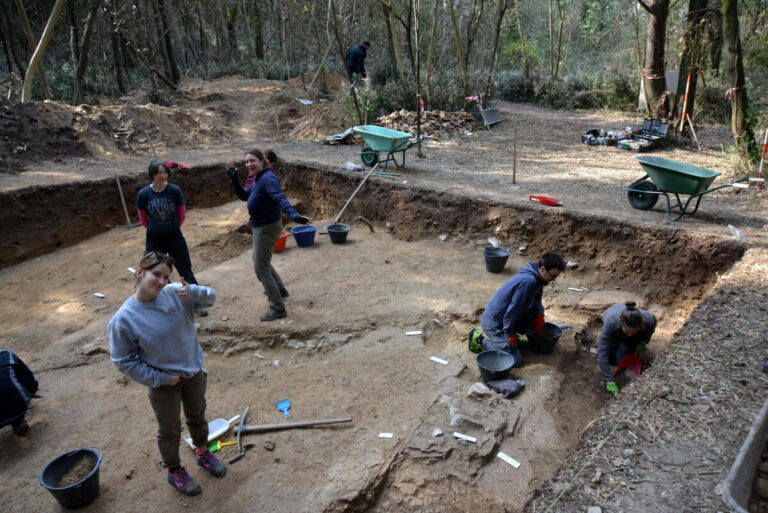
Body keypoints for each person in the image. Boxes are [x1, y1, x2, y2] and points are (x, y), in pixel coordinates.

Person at [108, 251, 223, 496]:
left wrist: (194, 291)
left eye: (166, 276)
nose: (161, 282)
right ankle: (174, 470)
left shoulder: (174, 293)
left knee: (197, 416)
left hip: (193, 373)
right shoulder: (124, 319)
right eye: (156, 275)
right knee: (170, 429)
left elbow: (211, 299)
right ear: (140, 273)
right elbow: (123, 361)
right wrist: (162, 379)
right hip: (164, 384)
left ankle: (203, 452)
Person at [226, 149, 312, 321]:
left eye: (252, 161)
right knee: (261, 262)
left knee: (260, 268)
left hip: (267, 227)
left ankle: (278, 308)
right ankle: (280, 289)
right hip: (260, 225)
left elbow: (280, 198)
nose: (249, 164)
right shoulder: (258, 179)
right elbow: (244, 195)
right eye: (247, 162)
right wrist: (233, 177)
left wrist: (295, 216)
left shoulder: (268, 179)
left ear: (261, 161)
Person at [136, 160, 208, 317]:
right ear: (152, 175)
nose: (163, 176)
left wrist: (172, 227)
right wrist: (156, 228)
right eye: (159, 173)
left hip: (175, 237)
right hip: (154, 239)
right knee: (157, 273)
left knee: (185, 270)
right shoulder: (144, 194)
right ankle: (165, 304)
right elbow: (143, 218)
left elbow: (181, 214)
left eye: (165, 173)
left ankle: (196, 303)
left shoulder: (174, 191)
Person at [470, 251, 566, 367]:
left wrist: (540, 315)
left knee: (533, 314)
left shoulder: (538, 278)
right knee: (515, 361)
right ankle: (480, 340)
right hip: (495, 324)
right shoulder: (529, 282)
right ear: (542, 269)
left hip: (506, 318)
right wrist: (509, 334)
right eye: (553, 276)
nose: (553, 280)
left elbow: (537, 299)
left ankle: (511, 339)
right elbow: (512, 312)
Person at [597, 301, 657, 396]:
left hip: (630, 336)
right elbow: (602, 350)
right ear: (621, 324)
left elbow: (653, 324)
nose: (629, 334)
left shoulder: (648, 320)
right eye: (628, 331)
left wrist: (644, 342)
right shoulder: (611, 322)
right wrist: (609, 380)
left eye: (633, 332)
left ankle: (627, 342)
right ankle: (618, 340)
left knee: (620, 359)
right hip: (614, 330)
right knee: (609, 356)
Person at [0, 348, 38, 436]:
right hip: (18, 407)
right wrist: (32, 391)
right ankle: (18, 422)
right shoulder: (7, 355)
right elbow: (29, 379)